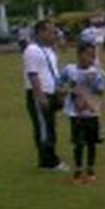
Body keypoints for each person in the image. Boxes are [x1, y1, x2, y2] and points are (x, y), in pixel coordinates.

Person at [59, 42, 105, 183]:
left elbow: (101, 91)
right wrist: (70, 88)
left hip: (92, 112)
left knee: (92, 142)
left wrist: (94, 83)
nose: (91, 58)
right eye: (88, 55)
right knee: (79, 142)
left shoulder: (95, 73)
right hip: (76, 113)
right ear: (79, 55)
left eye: (93, 55)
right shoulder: (69, 70)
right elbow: (59, 85)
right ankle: (78, 169)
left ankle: (91, 168)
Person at [23, 20, 69, 171]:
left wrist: (59, 89)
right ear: (41, 32)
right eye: (51, 31)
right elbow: (32, 74)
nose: (54, 35)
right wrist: (40, 96)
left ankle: (50, 157)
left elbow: (53, 71)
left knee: (50, 126)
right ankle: (48, 161)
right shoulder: (32, 50)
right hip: (39, 94)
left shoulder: (49, 50)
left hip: (52, 92)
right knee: (44, 128)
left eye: (55, 31)